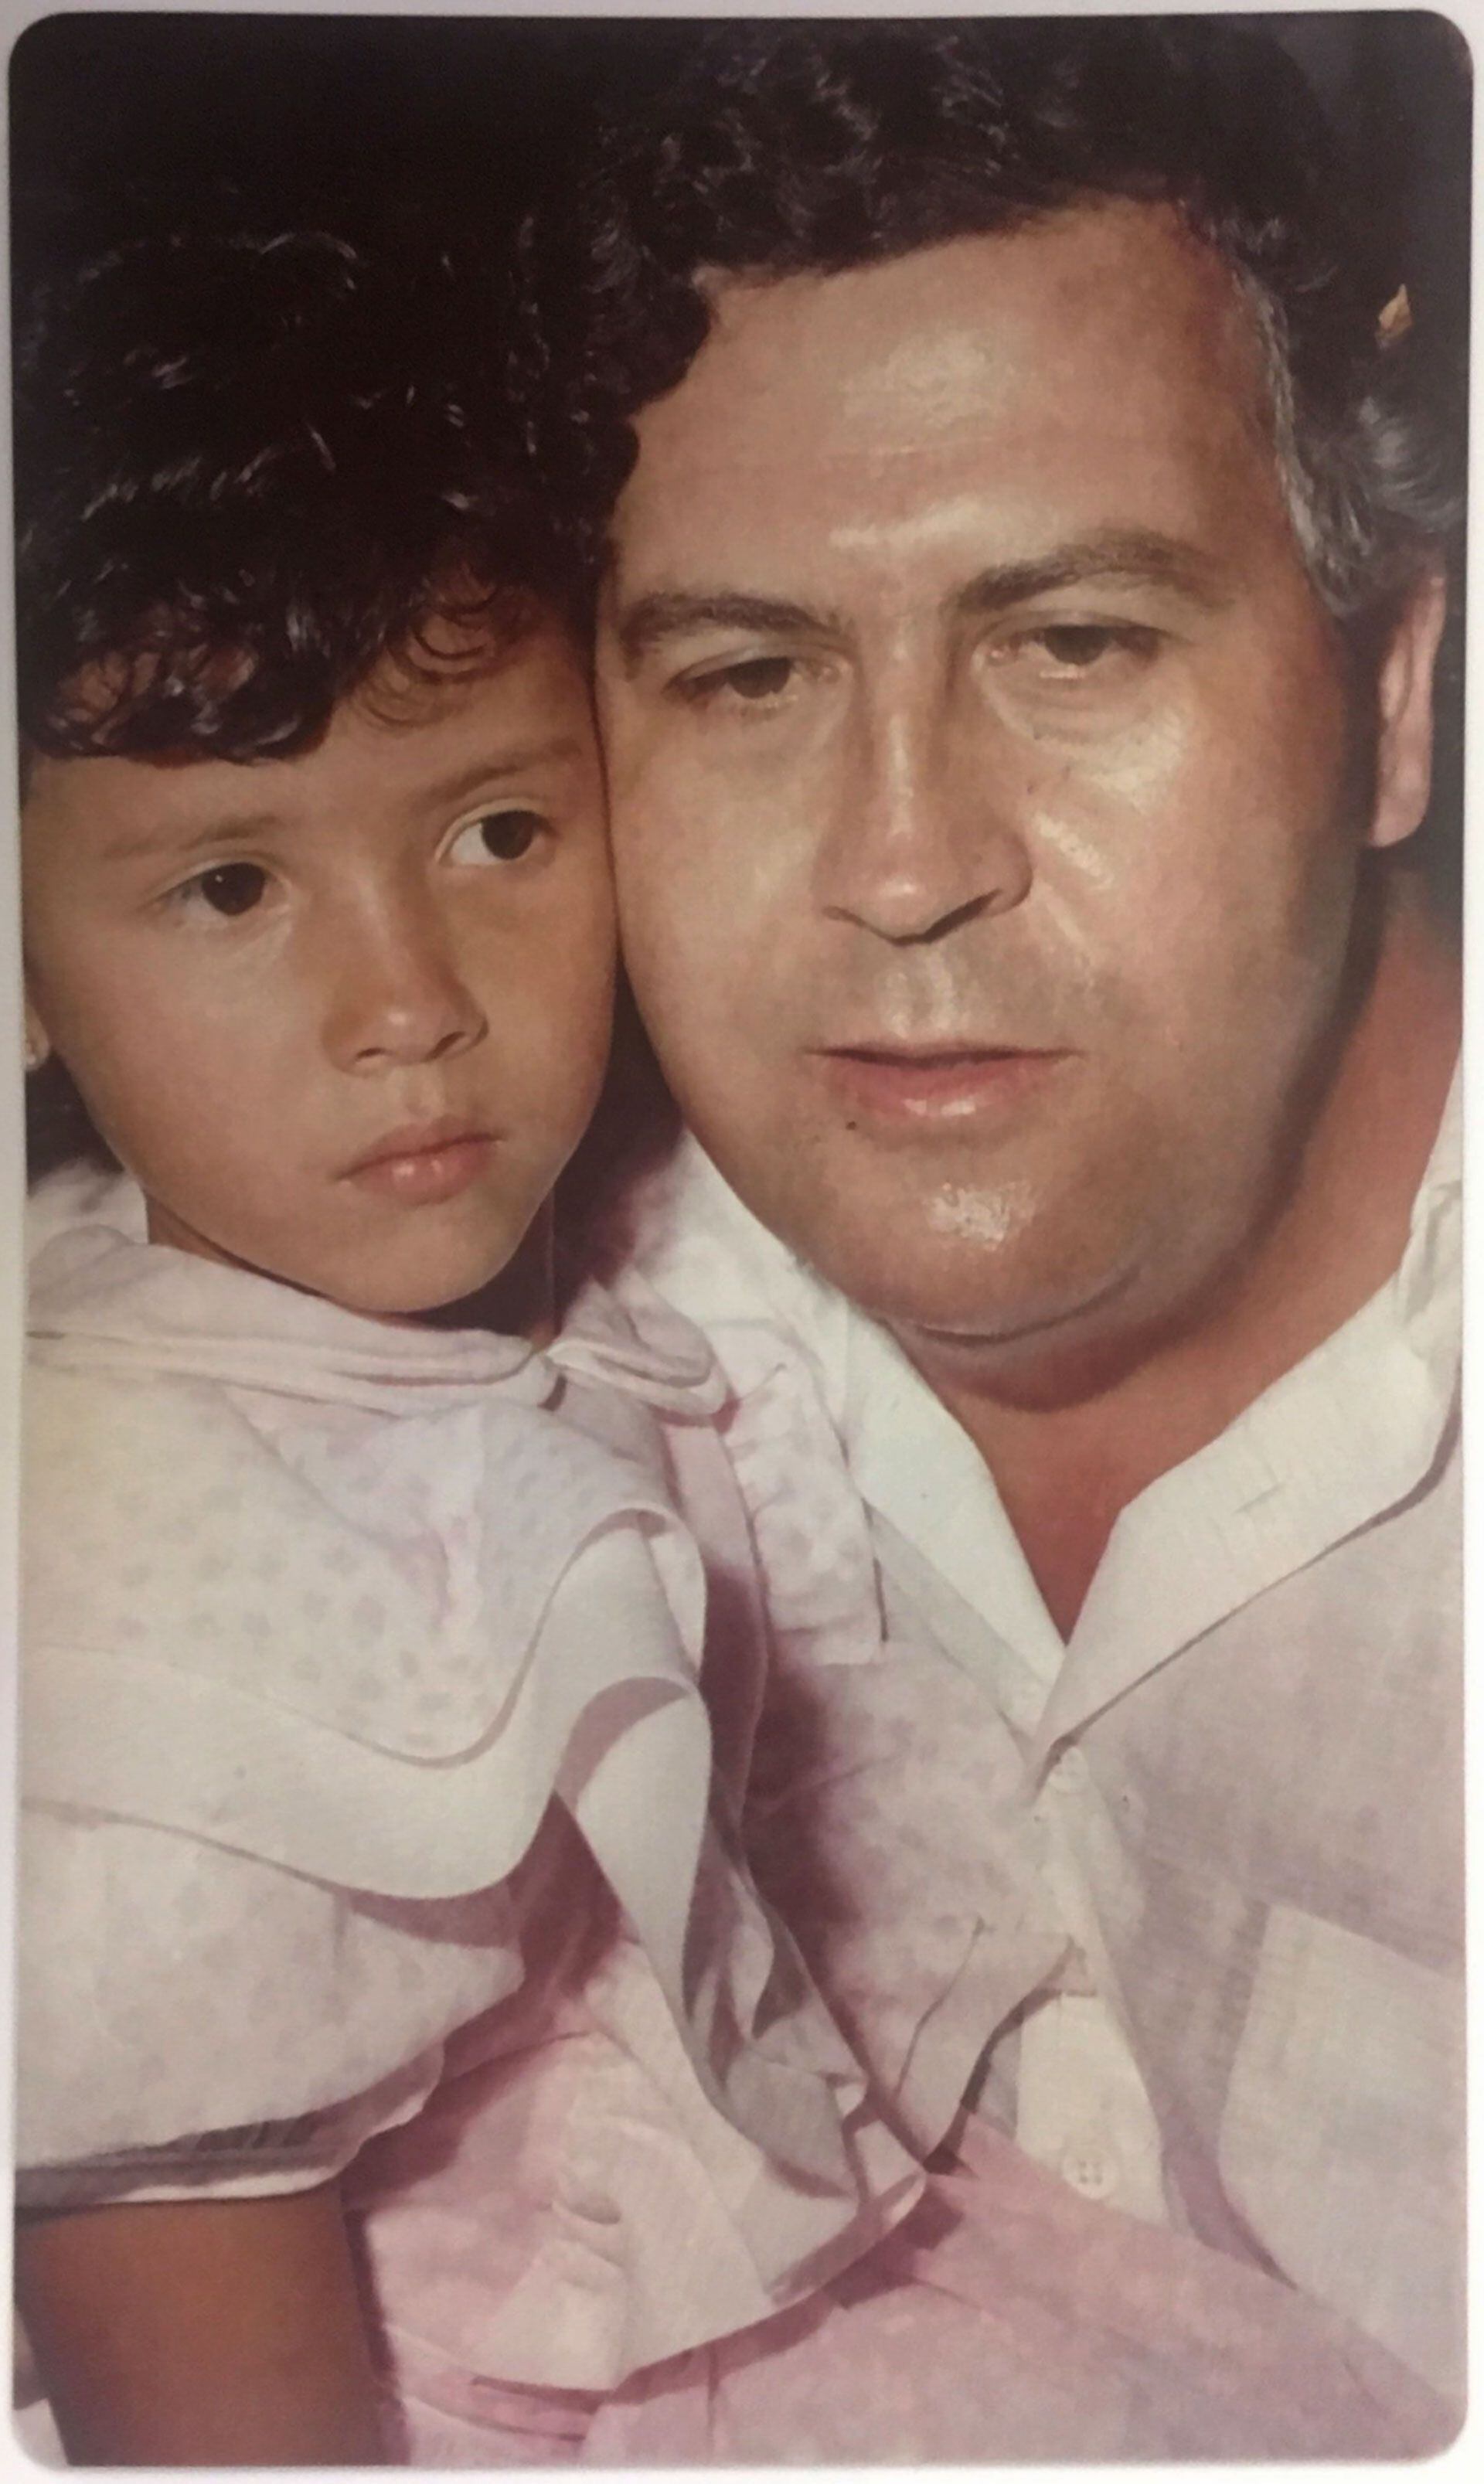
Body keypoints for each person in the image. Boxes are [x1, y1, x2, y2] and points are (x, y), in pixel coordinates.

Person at [526, 12, 1465, 2438]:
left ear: (1392, 699)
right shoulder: (450, 1367)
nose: (905, 860)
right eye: (750, 674)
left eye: (1073, 645)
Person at [11, 224, 921, 2467]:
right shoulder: (137, 1646)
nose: (408, 1002)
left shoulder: (670, 1241)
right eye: (233, 887)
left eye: (503, 832)